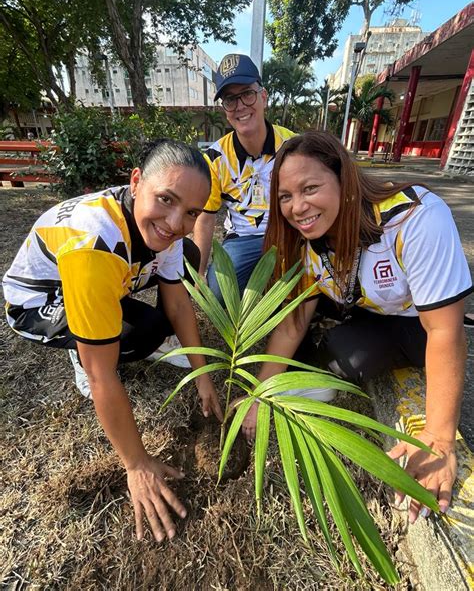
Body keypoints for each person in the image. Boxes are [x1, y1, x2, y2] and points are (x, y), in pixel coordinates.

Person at [241, 130, 472, 523]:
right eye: (285, 196)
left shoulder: (415, 219)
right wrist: (259, 394)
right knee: (307, 345)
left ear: (344, 182)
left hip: (415, 322)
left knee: (354, 358)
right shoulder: (305, 237)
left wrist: (438, 437)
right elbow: (293, 321)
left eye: (310, 188)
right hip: (365, 306)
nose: (297, 207)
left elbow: (446, 331)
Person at [3, 139, 223, 543]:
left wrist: (202, 375)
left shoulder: (165, 230)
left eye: (191, 212)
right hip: (40, 301)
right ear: (136, 181)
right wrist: (136, 463)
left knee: (167, 300)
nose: (176, 222)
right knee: (111, 349)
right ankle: (79, 348)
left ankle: (101, 326)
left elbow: (177, 305)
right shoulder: (95, 242)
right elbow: (103, 375)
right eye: (166, 199)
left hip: (100, 284)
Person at [193, 53, 295, 302]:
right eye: (230, 99)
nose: (240, 106)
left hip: (288, 233)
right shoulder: (215, 158)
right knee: (218, 294)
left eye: (247, 94)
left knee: (300, 291)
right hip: (242, 239)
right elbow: (205, 219)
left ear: (263, 96)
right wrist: (200, 272)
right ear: (225, 109)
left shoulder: (293, 146)